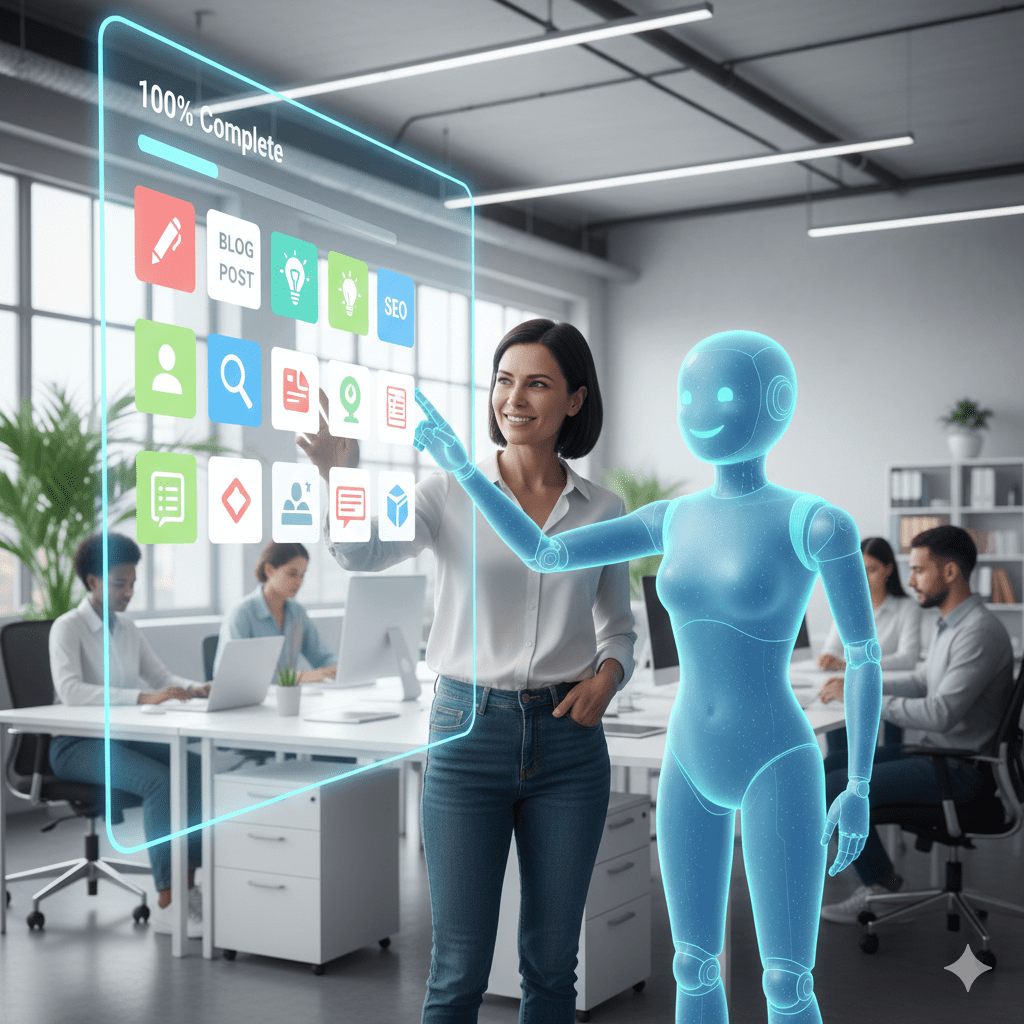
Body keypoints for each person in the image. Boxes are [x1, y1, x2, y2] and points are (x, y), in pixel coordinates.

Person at [414, 329, 881, 1024]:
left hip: (777, 758)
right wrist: (466, 468)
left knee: (788, 983)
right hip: (689, 758)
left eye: (720, 393)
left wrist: (860, 784)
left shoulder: (818, 523)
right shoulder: (669, 519)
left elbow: (867, 655)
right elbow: (543, 553)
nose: (698, 410)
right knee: (693, 969)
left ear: (777, 402)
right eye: (687, 394)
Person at [297, 319, 636, 1024]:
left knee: (552, 968)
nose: (515, 398)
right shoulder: (450, 489)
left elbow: (619, 629)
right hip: (465, 731)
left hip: (570, 744)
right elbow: (361, 556)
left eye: (537, 383)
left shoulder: (604, 509)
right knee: (458, 970)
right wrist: (339, 474)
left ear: (574, 400)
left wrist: (607, 677)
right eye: (504, 380)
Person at [819, 524, 1014, 923]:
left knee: (834, 785)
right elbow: (923, 680)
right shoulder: (951, 624)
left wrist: (866, 698)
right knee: (826, 769)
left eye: (919, 570)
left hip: (959, 767)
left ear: (950, 573)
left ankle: (880, 883)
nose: (909, 581)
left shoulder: (977, 632)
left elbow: (940, 712)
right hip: (938, 752)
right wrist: (861, 681)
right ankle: (882, 879)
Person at [47, 532, 209, 937]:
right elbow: (71, 692)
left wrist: (194, 687)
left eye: (133, 583)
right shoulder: (67, 629)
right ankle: (168, 897)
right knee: (158, 782)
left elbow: (161, 677)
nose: (129, 592)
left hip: (117, 737)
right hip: (73, 745)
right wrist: (142, 696)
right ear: (92, 582)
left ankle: (191, 881)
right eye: (120, 583)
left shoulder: (128, 628)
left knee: (193, 766)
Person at [817, 536, 922, 750]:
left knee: (880, 744)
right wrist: (828, 657)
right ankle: (838, 767)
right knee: (836, 727)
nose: (863, 577)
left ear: (888, 570)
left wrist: (854, 663)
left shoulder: (907, 608)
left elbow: (908, 658)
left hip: (887, 688)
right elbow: (832, 647)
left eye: (871, 570)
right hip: (851, 685)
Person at [214, 541, 336, 684]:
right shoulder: (241, 614)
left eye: (302, 575)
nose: (299, 582)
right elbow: (236, 674)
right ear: (270, 570)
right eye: (292, 574)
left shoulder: (297, 612)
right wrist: (303, 677)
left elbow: (322, 656)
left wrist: (337, 669)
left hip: (286, 699)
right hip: (250, 700)